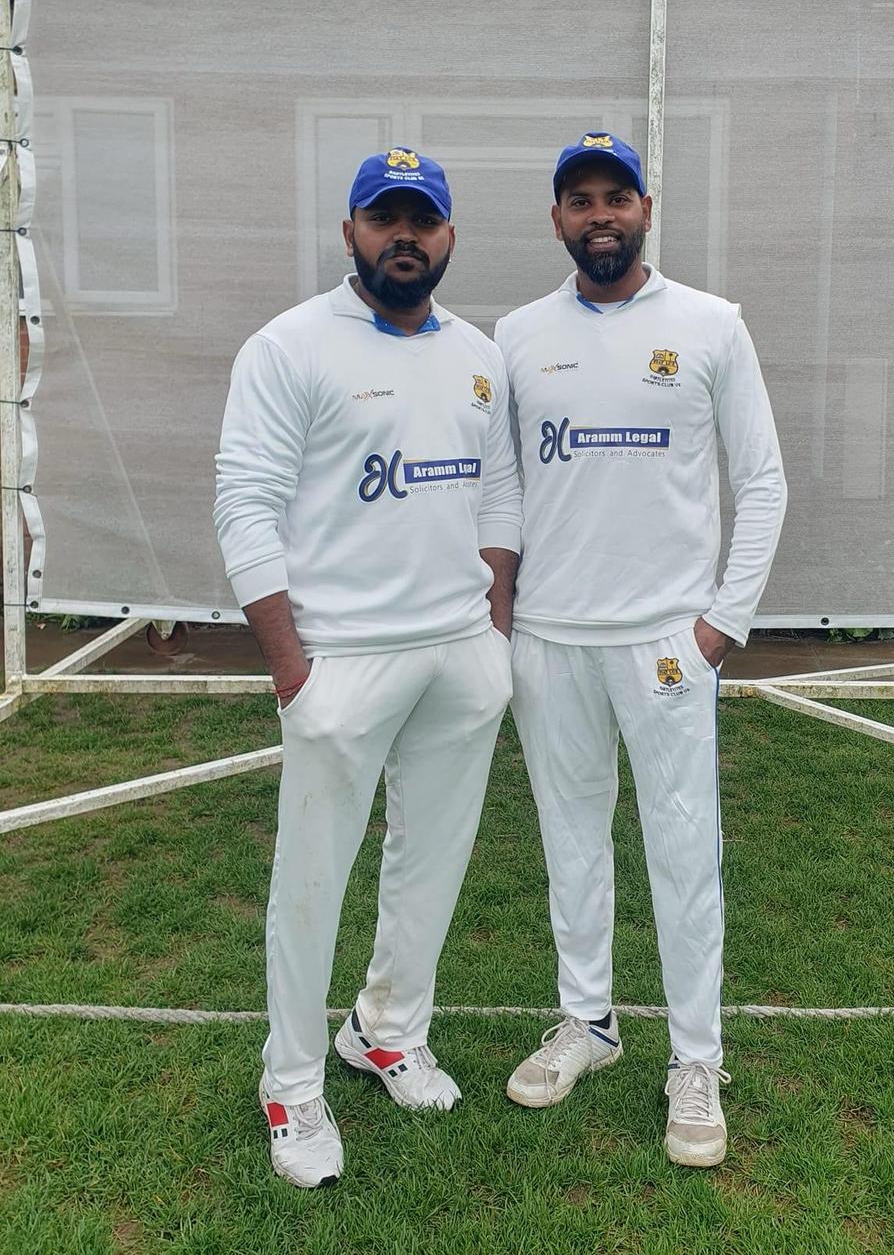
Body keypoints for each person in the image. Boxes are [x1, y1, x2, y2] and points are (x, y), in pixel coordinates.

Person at [214, 148, 521, 1188]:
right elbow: (244, 504)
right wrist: (292, 665)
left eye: (422, 220)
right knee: (312, 879)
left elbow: (500, 497)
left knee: (431, 858)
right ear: (350, 231)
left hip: (457, 658)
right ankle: (292, 1080)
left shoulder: (480, 355)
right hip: (339, 660)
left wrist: (493, 635)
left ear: (448, 235)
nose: (405, 236)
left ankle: (385, 1029)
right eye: (383, 219)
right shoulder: (289, 346)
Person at [494, 132, 787, 1168]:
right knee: (571, 838)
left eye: (617, 196)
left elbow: (761, 481)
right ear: (558, 218)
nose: (600, 214)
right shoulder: (519, 334)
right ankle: (590, 1021)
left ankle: (696, 1059)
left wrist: (719, 626)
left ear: (647, 208)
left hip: (666, 643)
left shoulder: (710, 325)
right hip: (551, 639)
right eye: (580, 199)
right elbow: (501, 491)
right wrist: (503, 613)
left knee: (679, 847)